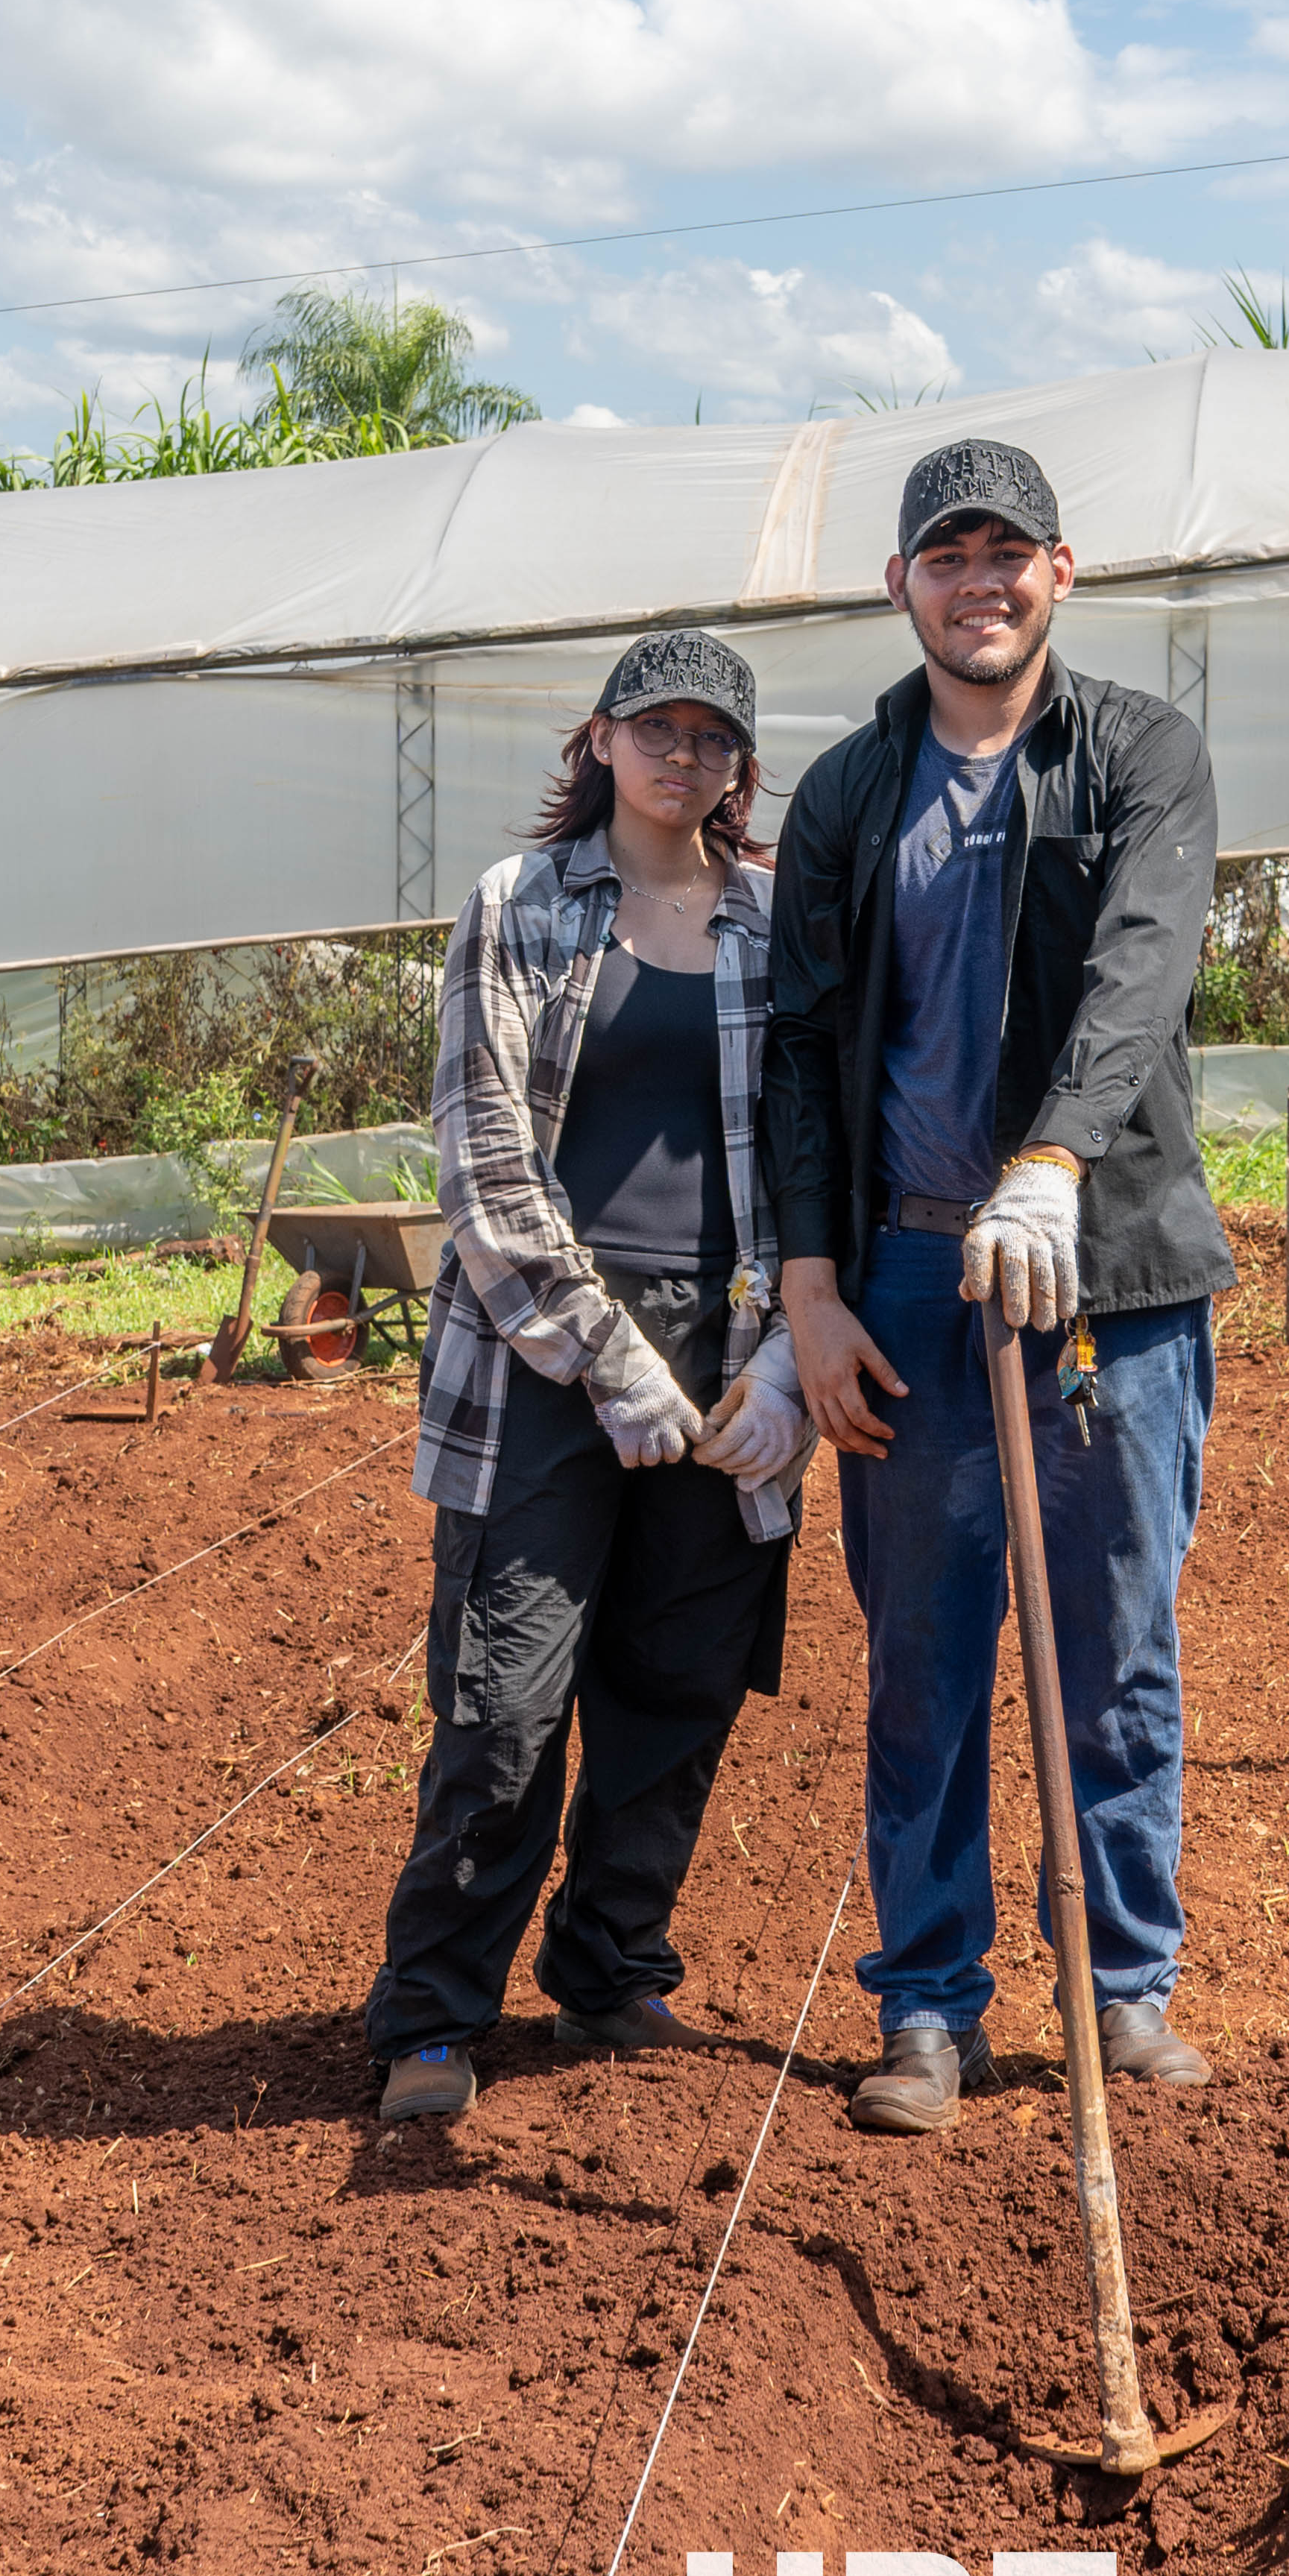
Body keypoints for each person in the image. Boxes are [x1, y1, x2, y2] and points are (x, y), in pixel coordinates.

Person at [766, 435, 1235, 2137]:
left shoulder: (1137, 754)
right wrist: (807, 1293)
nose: (981, 580)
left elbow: (1139, 971)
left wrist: (1053, 1166)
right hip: (906, 1277)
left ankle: (1122, 1989)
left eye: (1009, 551)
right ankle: (927, 2006)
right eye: (945, 555)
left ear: (1060, 569)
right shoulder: (846, 795)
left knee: (1112, 1645)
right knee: (925, 1656)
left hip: (1105, 1268)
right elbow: (804, 1053)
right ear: (902, 585)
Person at [366, 628, 813, 2127]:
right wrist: (613, 1364)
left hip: (730, 1363)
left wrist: (771, 1367)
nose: (683, 758)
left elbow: (812, 1161)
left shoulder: (773, 922)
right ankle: (433, 2015)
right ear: (601, 741)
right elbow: (487, 1164)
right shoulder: (523, 909)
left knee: (676, 1691)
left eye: (712, 739)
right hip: (543, 1359)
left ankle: (612, 1973)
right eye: (656, 730)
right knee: (504, 1704)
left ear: (741, 766)